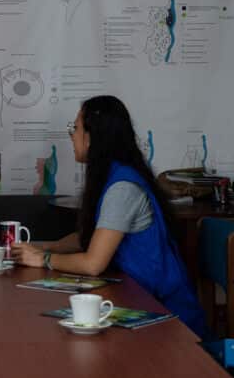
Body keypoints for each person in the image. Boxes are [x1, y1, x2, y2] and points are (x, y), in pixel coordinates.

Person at [11, 95, 206, 338]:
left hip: (165, 319)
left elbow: (93, 263)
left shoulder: (122, 187)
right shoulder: (114, 175)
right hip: (136, 295)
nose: (71, 136)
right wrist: (44, 247)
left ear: (92, 137)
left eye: (75, 128)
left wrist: (44, 260)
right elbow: (93, 237)